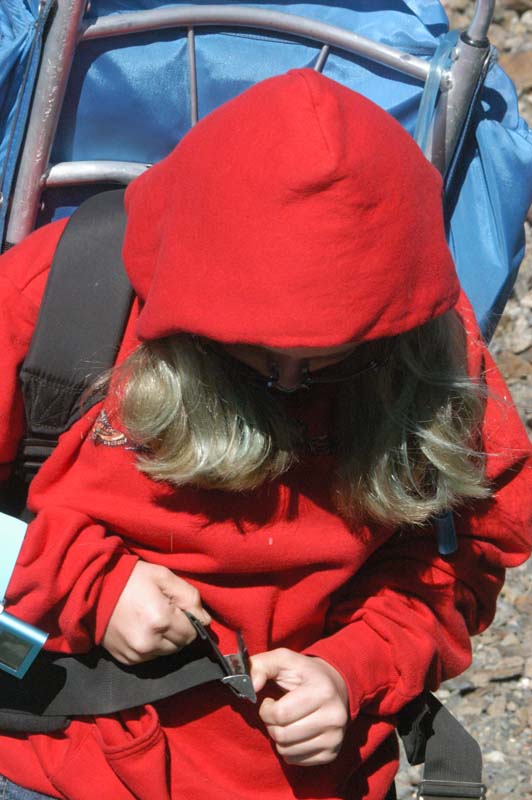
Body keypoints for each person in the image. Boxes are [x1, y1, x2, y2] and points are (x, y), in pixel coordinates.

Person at [0, 68, 530, 800]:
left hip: (306, 778)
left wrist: (354, 670)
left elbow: (461, 561)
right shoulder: (68, 293)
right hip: (53, 754)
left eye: (329, 360)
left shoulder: (432, 353)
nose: (286, 383)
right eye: (248, 353)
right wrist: (84, 582)